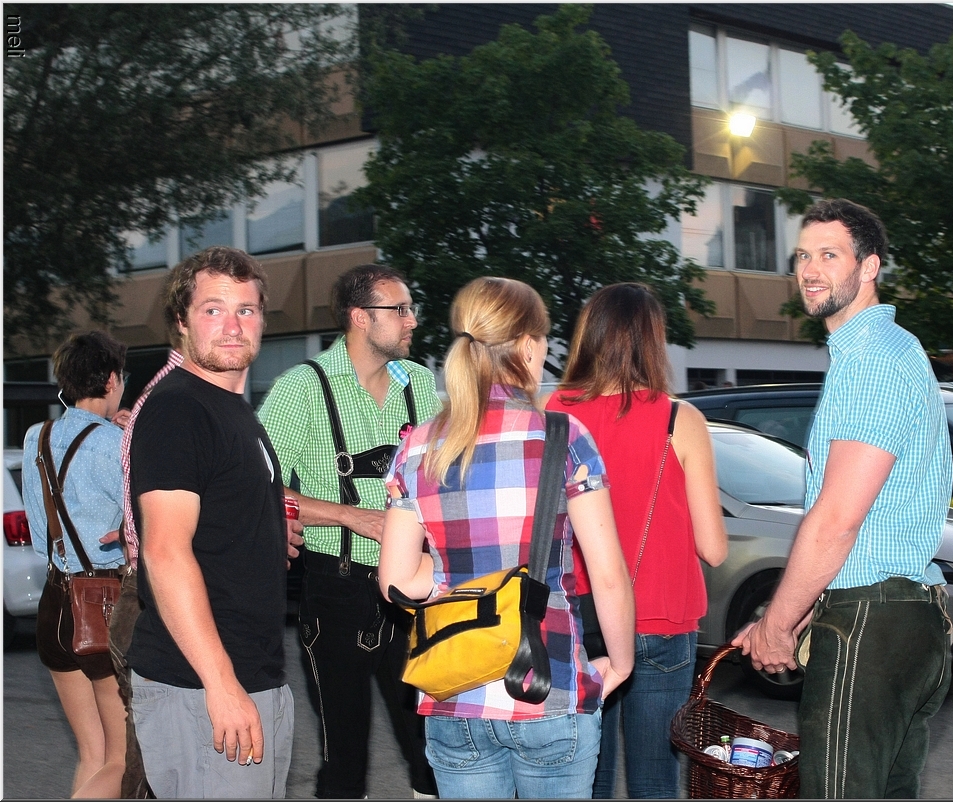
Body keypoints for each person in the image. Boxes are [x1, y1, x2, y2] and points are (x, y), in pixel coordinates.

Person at [377, 276, 635, 799]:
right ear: (528, 346)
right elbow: (608, 575)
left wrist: (456, 572)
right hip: (546, 683)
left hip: (455, 695)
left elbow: (397, 583)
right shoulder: (564, 437)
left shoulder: (418, 447)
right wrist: (622, 662)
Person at [733, 198, 953, 799]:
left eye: (829, 255)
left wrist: (778, 623)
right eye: (803, 256)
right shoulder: (885, 352)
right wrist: (797, 610)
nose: (810, 270)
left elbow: (836, 520)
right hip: (899, 615)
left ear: (869, 266)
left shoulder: (873, 361)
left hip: (872, 622)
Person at [257, 263, 440, 799]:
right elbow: (257, 489)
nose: (412, 320)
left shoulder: (420, 384)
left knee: (431, 750)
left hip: (414, 588)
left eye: (411, 308)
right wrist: (350, 516)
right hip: (336, 588)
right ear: (360, 317)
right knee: (344, 754)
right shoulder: (301, 388)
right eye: (399, 309)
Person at [546, 283, 728, 799]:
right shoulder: (679, 419)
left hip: (579, 617)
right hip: (661, 618)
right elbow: (714, 549)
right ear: (653, 341)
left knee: (587, 777)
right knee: (654, 782)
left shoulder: (553, 412)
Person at [127, 246, 293, 798]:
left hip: (253, 675)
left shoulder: (234, 409)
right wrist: (220, 684)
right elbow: (164, 552)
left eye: (246, 310)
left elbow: (217, 513)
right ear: (181, 321)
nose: (232, 325)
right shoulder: (179, 408)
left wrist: (265, 529)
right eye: (213, 310)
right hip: (201, 686)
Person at [22, 330, 129, 799]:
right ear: (111, 380)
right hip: (103, 608)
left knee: (92, 753)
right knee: (122, 761)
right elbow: (143, 526)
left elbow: (39, 530)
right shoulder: (116, 445)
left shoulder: (36, 436)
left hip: (54, 604)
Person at [108, 329, 183, 800]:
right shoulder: (174, 400)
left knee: (131, 747)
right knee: (152, 755)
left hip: (129, 589)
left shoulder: (151, 402)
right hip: (149, 595)